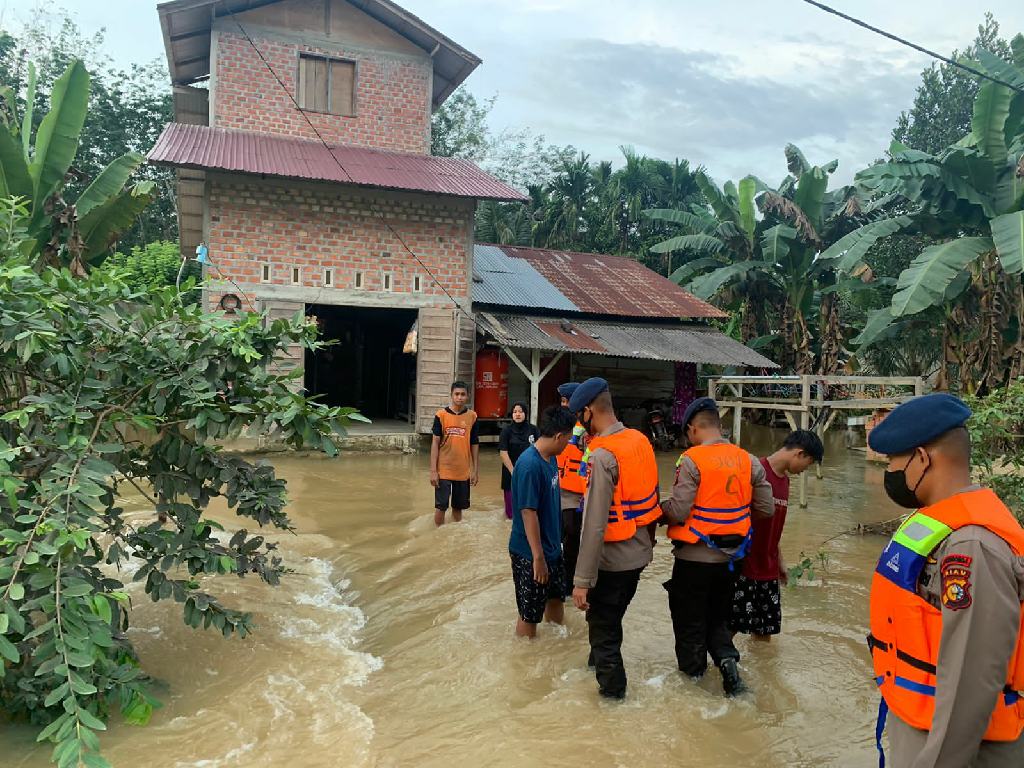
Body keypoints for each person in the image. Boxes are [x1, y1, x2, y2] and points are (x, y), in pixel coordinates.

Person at [866, 393, 1024, 768]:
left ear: (922, 459)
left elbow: (973, 678)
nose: (889, 472)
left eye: (893, 461)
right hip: (916, 719)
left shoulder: (971, 546)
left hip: (956, 748)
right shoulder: (934, 523)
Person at [660, 397, 773, 696]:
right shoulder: (748, 459)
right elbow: (766, 508)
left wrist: (659, 510)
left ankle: (693, 684)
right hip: (731, 562)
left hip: (693, 560)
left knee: (689, 623)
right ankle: (728, 665)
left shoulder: (691, 459)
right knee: (718, 619)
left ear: (693, 430)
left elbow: (680, 510)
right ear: (718, 426)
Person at [569, 378, 661, 699]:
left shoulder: (601, 456)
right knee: (610, 621)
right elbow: (653, 497)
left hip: (611, 562)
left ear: (588, 411)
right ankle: (592, 671)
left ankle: (613, 702)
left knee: (603, 632)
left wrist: (582, 580)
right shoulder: (639, 441)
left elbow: (594, 524)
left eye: (580, 416)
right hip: (638, 557)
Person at [730, 429, 824, 641]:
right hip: (744, 567)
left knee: (765, 633)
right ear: (799, 454)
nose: (803, 471)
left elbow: (775, 528)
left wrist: (780, 562)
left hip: (768, 568)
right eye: (807, 465)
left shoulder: (785, 481)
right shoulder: (754, 472)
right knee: (730, 629)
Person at [509, 405, 576, 638]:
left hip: (552, 549)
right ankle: (525, 663)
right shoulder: (529, 465)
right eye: (568, 438)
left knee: (556, 599)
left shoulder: (551, 459)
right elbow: (529, 513)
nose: (569, 443)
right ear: (559, 436)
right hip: (530, 553)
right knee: (530, 613)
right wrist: (537, 558)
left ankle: (557, 646)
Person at [430, 381, 479, 526]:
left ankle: (453, 535)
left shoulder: (472, 417)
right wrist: (433, 470)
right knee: (441, 507)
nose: (460, 397)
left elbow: (474, 444)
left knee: (458, 508)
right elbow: (435, 443)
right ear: (451, 395)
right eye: (457, 394)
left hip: (463, 471)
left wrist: (475, 470)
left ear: (468, 396)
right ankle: (437, 535)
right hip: (443, 470)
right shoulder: (441, 415)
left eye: (463, 394)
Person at [556, 382, 588, 596]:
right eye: (562, 401)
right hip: (558, 489)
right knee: (561, 539)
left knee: (572, 541)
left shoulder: (587, 429)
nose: (563, 405)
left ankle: (570, 585)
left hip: (578, 496)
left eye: (566, 401)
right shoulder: (560, 425)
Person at [499, 401, 540, 520]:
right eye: (515, 412)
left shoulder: (533, 430)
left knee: (529, 506)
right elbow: (503, 452)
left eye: (520, 411)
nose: (517, 414)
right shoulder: (506, 431)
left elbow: (540, 450)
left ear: (525, 414)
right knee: (511, 514)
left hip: (530, 472)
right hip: (510, 472)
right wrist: (513, 471)